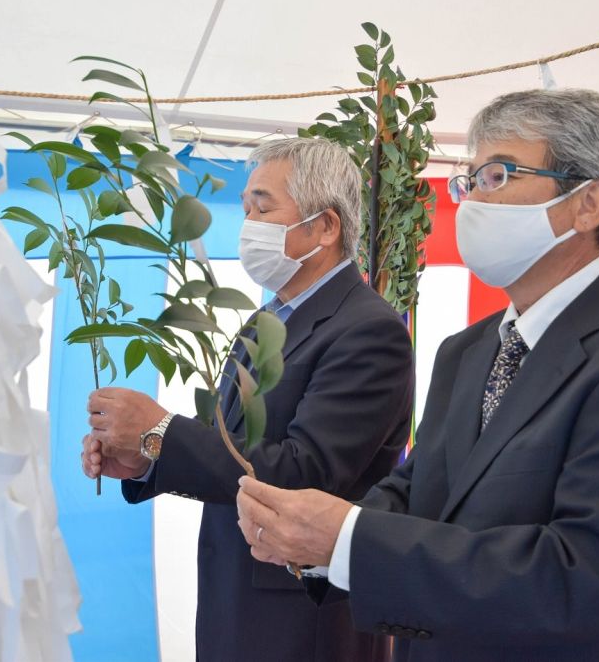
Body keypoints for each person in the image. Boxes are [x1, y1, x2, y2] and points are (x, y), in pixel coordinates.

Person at [236, 89, 599, 661]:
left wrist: (350, 540)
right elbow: (416, 489)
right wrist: (316, 539)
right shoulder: (466, 350)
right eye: (467, 182)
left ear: (588, 203)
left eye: (497, 176)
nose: (471, 201)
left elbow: (585, 576)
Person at [81, 137, 414, 661]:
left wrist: (162, 431)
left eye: (263, 206)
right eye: (246, 209)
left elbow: (303, 471)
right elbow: (232, 447)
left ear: (325, 227)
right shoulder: (265, 322)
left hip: (302, 619)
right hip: (232, 597)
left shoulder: (369, 330)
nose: (248, 224)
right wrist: (146, 456)